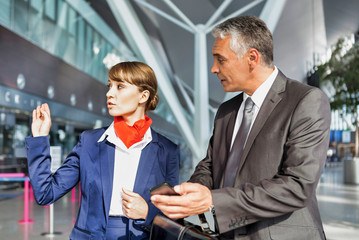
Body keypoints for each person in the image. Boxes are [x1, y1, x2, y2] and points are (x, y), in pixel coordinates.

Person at [151, 15, 330, 240]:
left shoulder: (306, 101)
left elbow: (297, 186)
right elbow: (210, 166)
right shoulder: (226, 111)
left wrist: (213, 201)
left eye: (220, 59)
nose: (213, 69)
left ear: (252, 58)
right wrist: (190, 193)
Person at [26, 61, 180, 240]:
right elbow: (46, 193)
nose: (109, 93)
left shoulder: (167, 150)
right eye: (110, 86)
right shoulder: (90, 141)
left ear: (143, 96)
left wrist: (147, 211)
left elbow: (174, 213)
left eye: (120, 86)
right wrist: (39, 139)